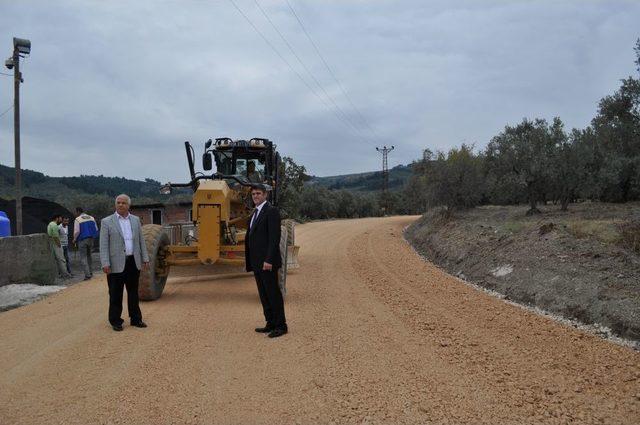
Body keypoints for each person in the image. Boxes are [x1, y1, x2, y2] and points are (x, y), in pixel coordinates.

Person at [99, 194, 150, 332]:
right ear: (115, 204)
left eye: (123, 203)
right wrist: (105, 263)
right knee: (115, 293)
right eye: (118, 202)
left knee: (133, 292)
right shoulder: (107, 222)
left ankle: (136, 319)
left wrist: (145, 258)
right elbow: (103, 245)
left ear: (129, 205)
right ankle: (116, 321)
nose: (120, 205)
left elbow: (141, 241)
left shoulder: (135, 220)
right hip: (115, 263)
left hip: (133, 261)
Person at [245, 184, 287, 338]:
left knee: (273, 294)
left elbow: (274, 238)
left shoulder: (271, 211)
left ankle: (281, 326)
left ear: (265, 195)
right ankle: (270, 323)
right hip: (257, 262)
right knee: (263, 295)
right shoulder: (255, 213)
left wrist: (269, 259)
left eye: (258, 193)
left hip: (267, 262)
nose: (255, 196)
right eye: (253, 194)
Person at [73, 207, 99, 280]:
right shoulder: (91, 218)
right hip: (91, 239)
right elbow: (96, 229)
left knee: (83, 257)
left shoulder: (78, 219)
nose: (75, 214)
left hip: (82, 240)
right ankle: (90, 272)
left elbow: (77, 231)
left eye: (75, 212)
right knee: (89, 256)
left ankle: (87, 275)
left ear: (78, 212)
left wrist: (74, 239)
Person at [48, 213, 71, 279]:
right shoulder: (55, 226)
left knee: (65, 259)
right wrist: (59, 244)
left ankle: (67, 272)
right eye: (61, 218)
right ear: (57, 218)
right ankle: (64, 274)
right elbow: (55, 236)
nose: (61, 219)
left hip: (63, 244)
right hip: (58, 244)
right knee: (61, 260)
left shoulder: (50, 224)